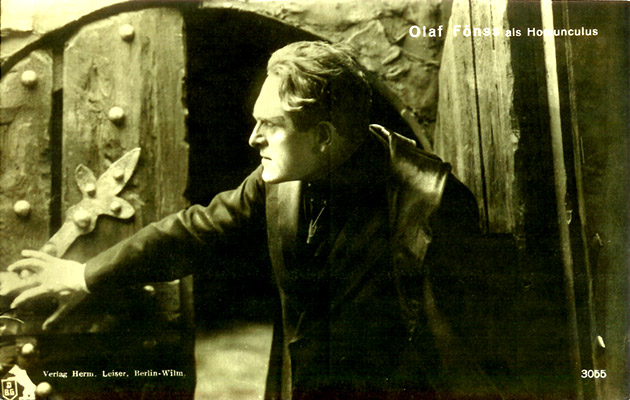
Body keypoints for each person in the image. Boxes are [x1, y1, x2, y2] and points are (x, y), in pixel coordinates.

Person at [3, 41, 499, 399]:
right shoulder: (281, 175)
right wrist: (84, 274)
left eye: (271, 125)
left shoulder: (433, 203)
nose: (253, 139)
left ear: (323, 136)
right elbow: (199, 230)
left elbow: (470, 352)